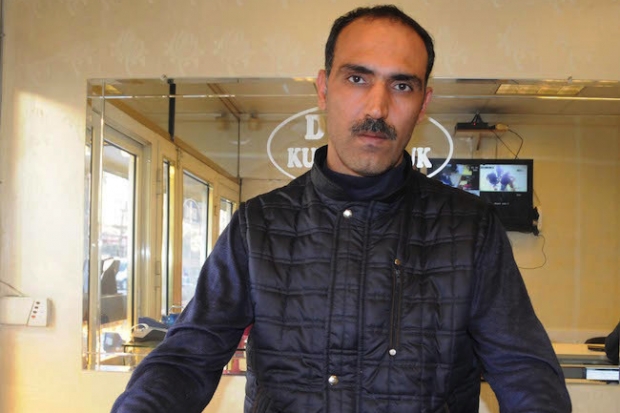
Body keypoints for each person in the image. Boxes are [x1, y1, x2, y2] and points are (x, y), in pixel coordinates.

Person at [112, 5, 571, 412]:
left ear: (423, 104)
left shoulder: (471, 229)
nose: (377, 107)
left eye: (402, 85)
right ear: (323, 88)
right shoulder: (259, 226)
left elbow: (525, 372)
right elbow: (186, 358)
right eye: (357, 78)